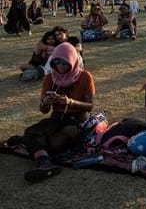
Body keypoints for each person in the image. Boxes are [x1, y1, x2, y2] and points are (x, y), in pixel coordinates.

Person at [5, 42, 94, 183]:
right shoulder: (49, 78)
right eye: (56, 62)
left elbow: (89, 106)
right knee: (32, 132)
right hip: (56, 118)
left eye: (64, 62)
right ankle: (45, 164)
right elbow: (43, 110)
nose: (60, 66)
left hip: (77, 120)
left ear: (72, 60)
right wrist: (46, 102)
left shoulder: (84, 76)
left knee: (54, 144)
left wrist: (70, 102)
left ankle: (21, 142)